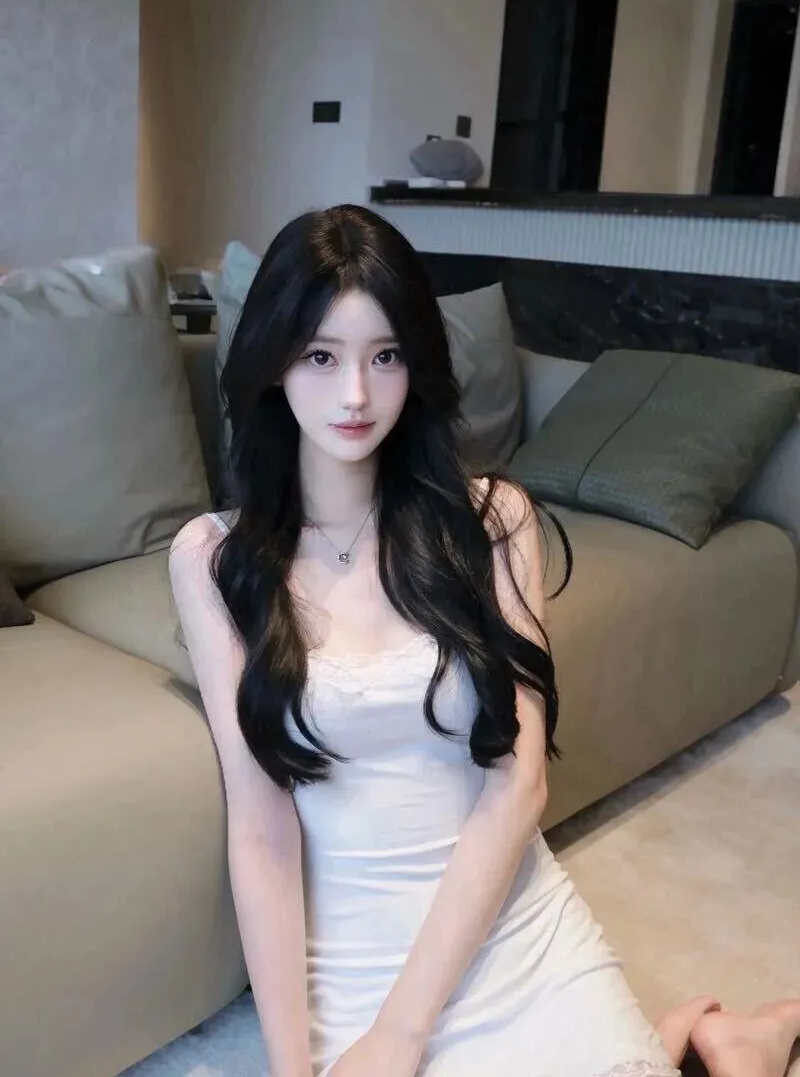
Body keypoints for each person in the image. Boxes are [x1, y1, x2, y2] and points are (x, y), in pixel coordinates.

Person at [169, 204, 800, 1077]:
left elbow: (520, 784)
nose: (356, 395)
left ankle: (726, 1047)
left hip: (507, 923)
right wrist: (293, 1066)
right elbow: (261, 828)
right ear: (274, 361)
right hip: (353, 954)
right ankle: (702, 1049)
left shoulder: (493, 520)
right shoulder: (212, 559)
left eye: (386, 355)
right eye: (321, 355)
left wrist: (401, 1035)